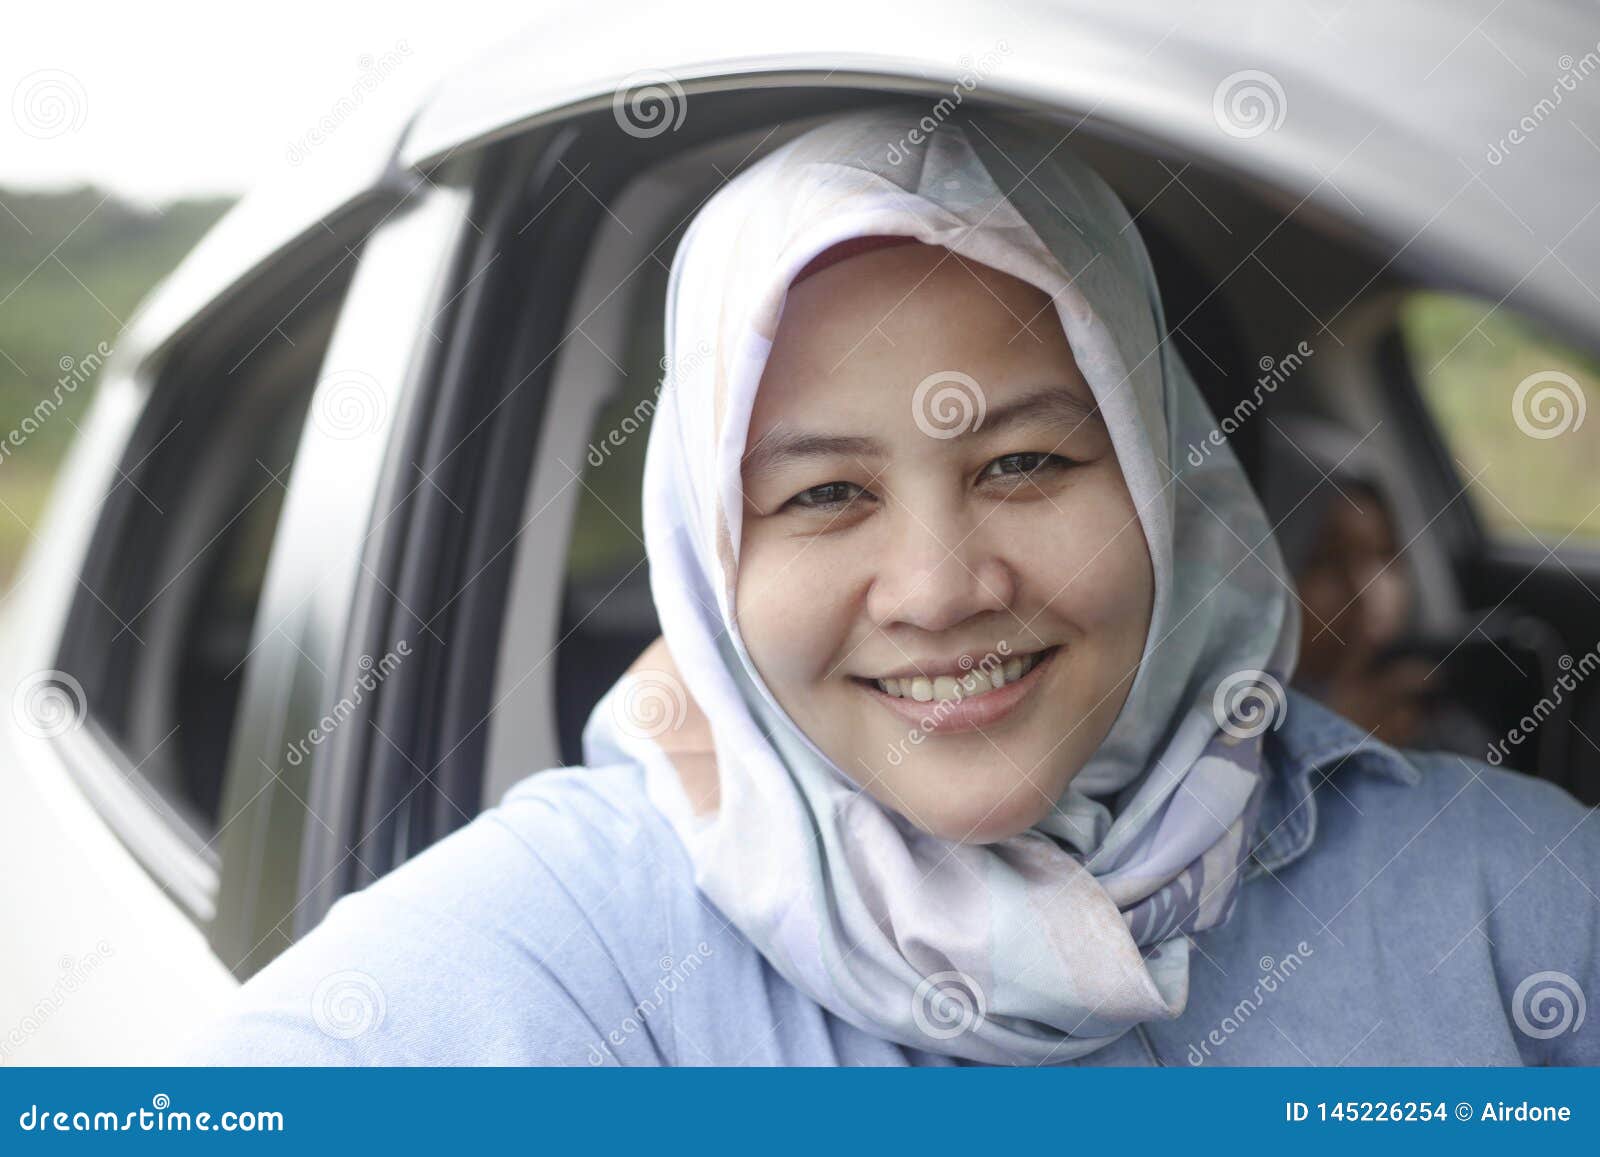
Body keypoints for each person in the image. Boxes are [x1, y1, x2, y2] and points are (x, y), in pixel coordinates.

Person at [181, 106, 1598, 1066]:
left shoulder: (1496, 898)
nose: (936, 587)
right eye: (823, 494)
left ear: (1171, 484)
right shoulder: (585, 946)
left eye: (1027, 463)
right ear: (710, 553)